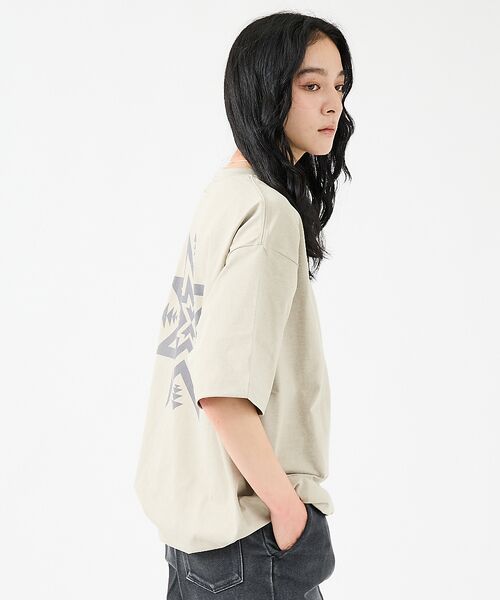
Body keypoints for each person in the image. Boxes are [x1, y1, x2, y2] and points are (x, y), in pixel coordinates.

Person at [134, 10, 355, 599]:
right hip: (250, 545)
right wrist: (289, 512)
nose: (332, 104)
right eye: (310, 85)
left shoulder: (222, 196)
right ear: (266, 89)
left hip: (194, 543)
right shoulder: (266, 214)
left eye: (339, 86)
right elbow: (224, 391)